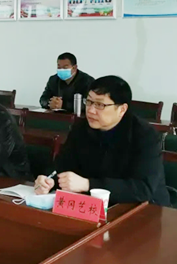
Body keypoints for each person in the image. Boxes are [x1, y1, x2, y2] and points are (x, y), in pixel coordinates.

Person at [35, 76, 170, 206]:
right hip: (96, 206)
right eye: (89, 102)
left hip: (145, 209)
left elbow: (143, 188)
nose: (91, 110)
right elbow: (62, 165)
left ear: (122, 109)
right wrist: (49, 180)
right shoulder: (81, 128)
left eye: (100, 105)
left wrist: (88, 184)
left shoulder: (145, 135)